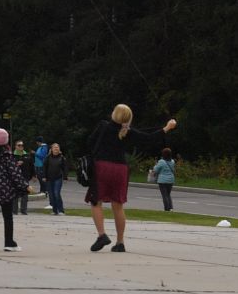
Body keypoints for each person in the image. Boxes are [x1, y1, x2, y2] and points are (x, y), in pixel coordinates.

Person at [85, 104, 177, 253]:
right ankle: (120, 242)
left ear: (114, 114)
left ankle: (102, 235)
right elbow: (149, 138)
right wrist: (167, 128)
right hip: (121, 169)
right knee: (118, 205)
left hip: (102, 166)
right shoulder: (127, 132)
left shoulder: (103, 126)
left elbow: (89, 143)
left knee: (96, 201)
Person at [43, 139, 67, 215]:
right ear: (52, 149)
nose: (56, 148)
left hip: (58, 178)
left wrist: (65, 177)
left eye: (57, 147)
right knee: (51, 194)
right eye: (54, 147)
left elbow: (65, 168)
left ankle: (61, 210)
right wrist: (44, 176)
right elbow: (44, 167)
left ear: (59, 149)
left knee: (56, 193)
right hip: (49, 178)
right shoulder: (48, 157)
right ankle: (54, 210)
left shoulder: (62, 158)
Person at [10, 139, 32, 215]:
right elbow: (8, 166)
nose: (21, 147)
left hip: (25, 176)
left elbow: (31, 166)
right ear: (15, 146)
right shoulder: (12, 155)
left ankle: (24, 210)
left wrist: (34, 175)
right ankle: (14, 210)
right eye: (19, 145)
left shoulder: (27, 155)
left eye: (22, 145)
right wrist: (16, 164)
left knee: (25, 194)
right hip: (15, 177)